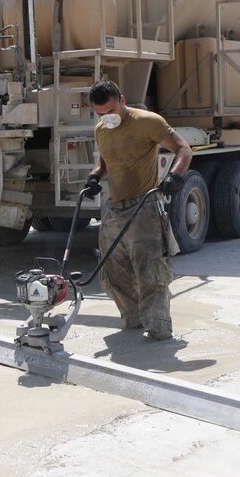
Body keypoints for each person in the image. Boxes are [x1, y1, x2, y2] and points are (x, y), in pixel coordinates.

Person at [86, 79, 192, 342]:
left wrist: (175, 176)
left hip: (144, 206)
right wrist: (94, 177)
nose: (106, 118)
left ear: (121, 100)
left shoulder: (147, 121)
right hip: (115, 208)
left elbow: (183, 149)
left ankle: (158, 328)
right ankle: (133, 318)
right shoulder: (101, 130)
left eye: (110, 111)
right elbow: (106, 163)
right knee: (112, 269)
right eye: (100, 114)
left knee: (150, 271)